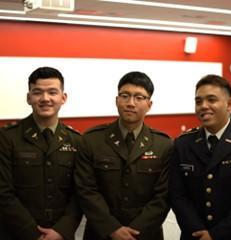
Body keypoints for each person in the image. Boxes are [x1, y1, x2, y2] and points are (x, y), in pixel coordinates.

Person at [75, 71, 173, 240]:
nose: (131, 103)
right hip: (101, 233)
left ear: (149, 104)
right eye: (125, 96)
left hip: (145, 235)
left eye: (139, 97)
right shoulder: (92, 140)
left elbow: (163, 196)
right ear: (116, 100)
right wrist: (112, 229)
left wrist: (136, 230)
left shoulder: (164, 144)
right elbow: (86, 190)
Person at [169, 74, 231, 240]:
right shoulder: (183, 143)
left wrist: (216, 235)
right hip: (195, 235)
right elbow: (177, 195)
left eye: (211, 100)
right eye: (198, 101)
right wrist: (199, 231)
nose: (203, 106)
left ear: (229, 104)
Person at [0, 67, 82, 240]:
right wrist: (33, 233)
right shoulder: (7, 138)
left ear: (63, 98)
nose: (45, 99)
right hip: (17, 233)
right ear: (29, 98)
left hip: (61, 235)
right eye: (37, 92)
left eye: (52, 92)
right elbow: (3, 192)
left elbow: (80, 192)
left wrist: (62, 231)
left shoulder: (76, 141)